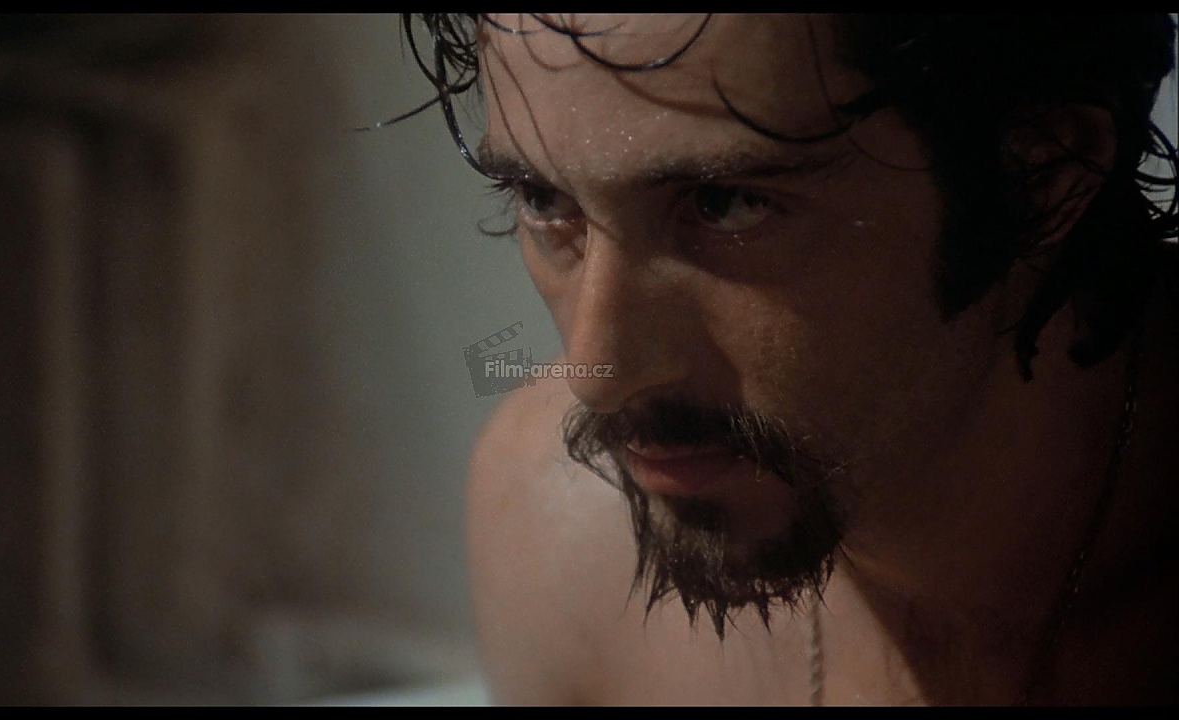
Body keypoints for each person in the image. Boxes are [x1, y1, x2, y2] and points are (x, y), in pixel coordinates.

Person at [399, 14, 1178, 704]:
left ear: (1039, 176)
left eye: (726, 203)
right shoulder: (559, 536)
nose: (598, 371)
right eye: (543, 199)